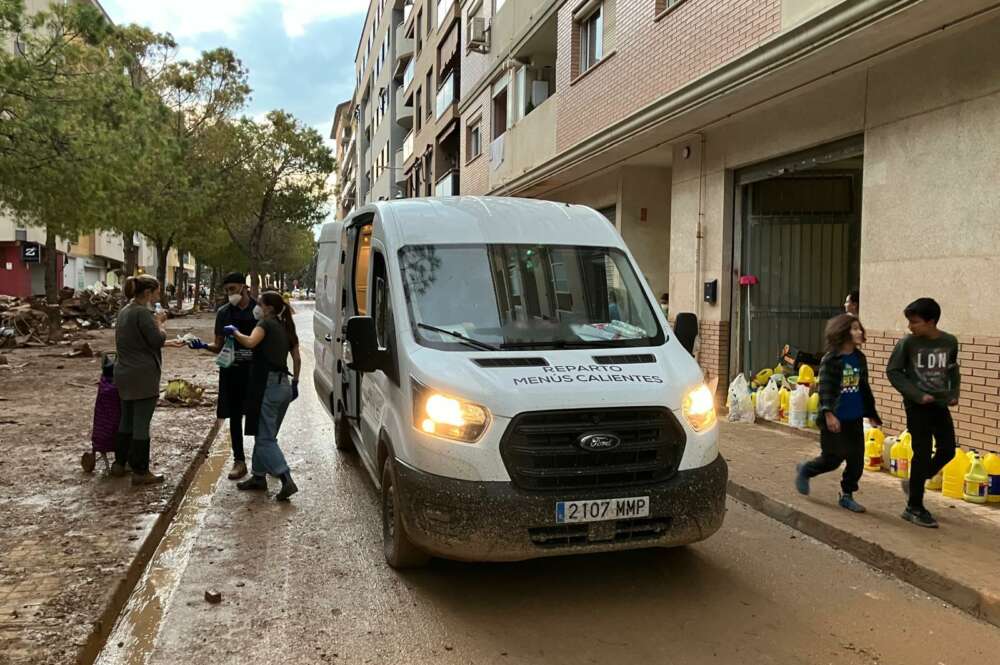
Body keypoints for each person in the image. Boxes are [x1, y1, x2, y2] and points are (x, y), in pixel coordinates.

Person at [795, 314, 882, 512]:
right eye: (854, 329)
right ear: (842, 332)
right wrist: (828, 414)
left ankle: (847, 495)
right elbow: (825, 388)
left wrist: (871, 412)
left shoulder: (859, 358)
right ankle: (806, 469)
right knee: (832, 460)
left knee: (857, 460)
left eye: (859, 328)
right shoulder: (831, 360)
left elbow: (864, 387)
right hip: (834, 419)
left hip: (854, 418)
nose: (859, 332)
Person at [887, 298, 960, 529]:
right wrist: (917, 395)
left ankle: (914, 482)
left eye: (915, 322)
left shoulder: (949, 342)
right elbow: (894, 372)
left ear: (931, 322)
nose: (910, 326)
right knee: (922, 451)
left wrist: (953, 392)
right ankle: (914, 507)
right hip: (916, 406)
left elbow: (952, 369)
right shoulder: (908, 343)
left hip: (939, 405)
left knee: (948, 450)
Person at [226, 291, 302, 501]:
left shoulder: (265, 324)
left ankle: (286, 478)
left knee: (265, 437)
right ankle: (258, 477)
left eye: (259, 303)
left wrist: (234, 332)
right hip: (284, 387)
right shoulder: (287, 327)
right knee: (265, 434)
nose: (256, 307)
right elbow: (296, 358)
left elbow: (250, 343)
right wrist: (295, 383)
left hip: (267, 386)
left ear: (268, 308)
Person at [112, 275, 184, 485]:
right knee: (142, 423)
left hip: (124, 371)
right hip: (142, 374)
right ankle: (141, 471)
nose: (159, 295)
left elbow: (138, 341)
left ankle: (120, 463)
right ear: (147, 293)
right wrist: (160, 323)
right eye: (157, 291)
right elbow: (156, 339)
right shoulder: (143, 313)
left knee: (126, 418)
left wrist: (169, 342)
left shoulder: (125, 311)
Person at [187, 272, 256, 480]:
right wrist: (202, 346)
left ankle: (263, 459)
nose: (230, 294)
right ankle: (239, 460)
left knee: (259, 414)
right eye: (227, 291)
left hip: (255, 371)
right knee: (235, 416)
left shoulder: (259, 311)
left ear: (244, 287)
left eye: (233, 289)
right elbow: (218, 345)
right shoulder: (224, 313)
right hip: (232, 370)